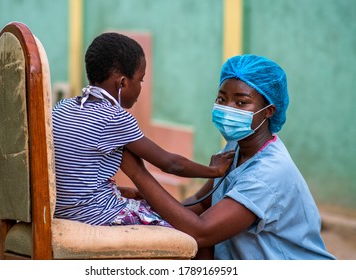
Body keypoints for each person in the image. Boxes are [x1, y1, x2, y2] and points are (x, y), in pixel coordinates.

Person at [120, 54, 335, 259]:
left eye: (241, 103)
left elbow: (201, 232)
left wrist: (138, 173)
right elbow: (201, 203)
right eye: (221, 99)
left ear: (269, 111)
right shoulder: (236, 147)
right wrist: (147, 206)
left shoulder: (268, 174)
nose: (227, 108)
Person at [52, 32, 232, 227]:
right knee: (183, 229)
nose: (140, 87)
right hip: (97, 216)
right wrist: (214, 170)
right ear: (122, 83)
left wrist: (123, 191)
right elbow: (171, 164)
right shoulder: (115, 118)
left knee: (149, 203)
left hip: (62, 212)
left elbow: (76, 175)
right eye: (141, 80)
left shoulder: (62, 107)